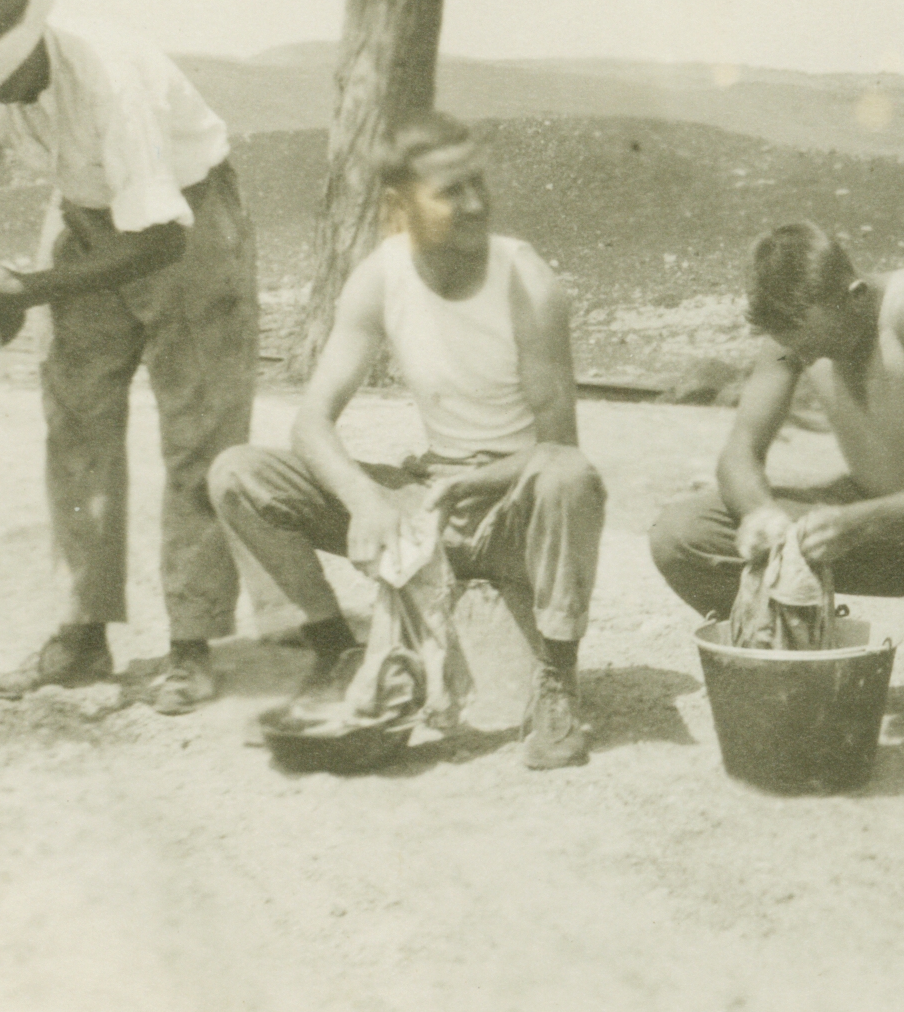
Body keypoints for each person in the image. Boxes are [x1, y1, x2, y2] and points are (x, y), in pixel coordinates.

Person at [0, 0, 260, 716]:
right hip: (86, 210)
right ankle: (81, 632)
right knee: (74, 415)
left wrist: (26, 287)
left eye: (7, 66)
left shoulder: (109, 74)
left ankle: (193, 642)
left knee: (199, 427)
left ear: (35, 31)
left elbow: (162, 236)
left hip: (184, 217)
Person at [208, 114, 606, 770]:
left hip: (514, 507)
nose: (476, 203)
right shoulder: (381, 276)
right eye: (451, 191)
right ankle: (332, 645)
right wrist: (367, 500)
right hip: (431, 498)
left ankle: (557, 681)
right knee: (237, 473)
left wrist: (465, 485)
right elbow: (310, 422)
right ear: (398, 208)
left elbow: (557, 448)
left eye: (478, 183)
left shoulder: (525, 282)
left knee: (570, 477)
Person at [649, 224, 904, 745]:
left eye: (821, 344)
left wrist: (864, 522)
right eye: (800, 348)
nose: (812, 357)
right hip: (867, 520)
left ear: (855, 296)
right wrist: (759, 513)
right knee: (681, 534)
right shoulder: (797, 336)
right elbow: (739, 453)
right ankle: (790, 655)